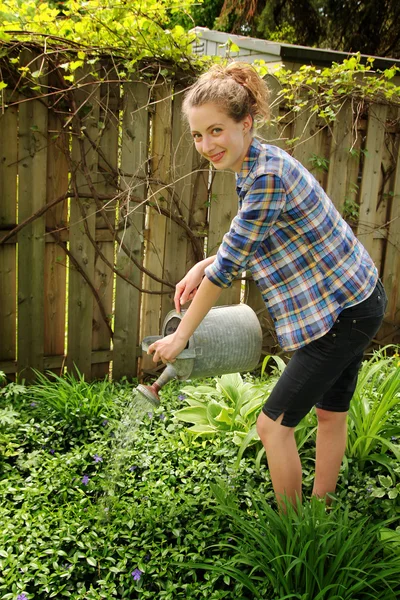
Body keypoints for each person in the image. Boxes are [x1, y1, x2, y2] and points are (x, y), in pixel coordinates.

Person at [147, 62, 387, 509]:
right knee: (330, 414)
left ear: (246, 123)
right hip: (357, 298)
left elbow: (228, 270)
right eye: (198, 135)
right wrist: (205, 262)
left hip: (344, 311)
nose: (206, 145)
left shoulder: (265, 177)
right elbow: (251, 240)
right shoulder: (256, 164)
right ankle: (321, 513)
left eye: (216, 130)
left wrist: (181, 335)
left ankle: (293, 532)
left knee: (273, 426)